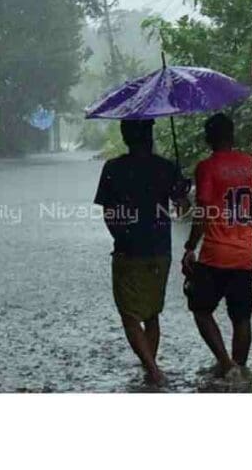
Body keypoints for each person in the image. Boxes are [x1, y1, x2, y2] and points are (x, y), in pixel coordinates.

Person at [94, 119, 187, 386]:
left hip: (128, 250)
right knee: (151, 313)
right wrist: (182, 191)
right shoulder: (166, 167)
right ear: (150, 135)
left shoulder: (113, 168)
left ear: (125, 136)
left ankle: (153, 371)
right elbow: (183, 209)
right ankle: (150, 369)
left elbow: (108, 212)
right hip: (160, 249)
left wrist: (119, 236)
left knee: (130, 315)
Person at [181, 113, 252, 377]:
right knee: (241, 317)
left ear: (208, 139)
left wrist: (190, 247)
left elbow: (202, 212)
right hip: (248, 253)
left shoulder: (207, 167)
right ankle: (241, 368)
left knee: (200, 309)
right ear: (232, 136)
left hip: (216, 255)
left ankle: (226, 364)